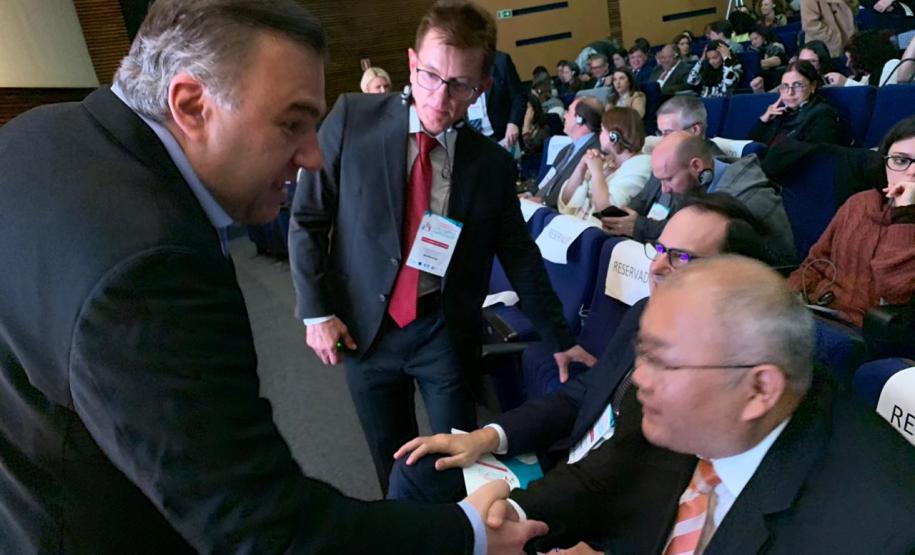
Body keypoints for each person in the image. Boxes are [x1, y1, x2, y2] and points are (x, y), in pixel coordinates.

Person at [0, 1, 547, 553]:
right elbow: (263, 528)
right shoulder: (152, 267)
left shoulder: (37, 133)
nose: (312, 157)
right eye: (291, 124)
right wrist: (468, 534)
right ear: (191, 105)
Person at [289, 0, 593, 496]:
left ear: (482, 88)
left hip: (441, 329)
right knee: (391, 462)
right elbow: (308, 218)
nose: (439, 97)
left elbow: (519, 256)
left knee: (455, 461)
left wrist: (559, 337)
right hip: (365, 327)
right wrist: (316, 313)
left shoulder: (490, 165)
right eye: (430, 76)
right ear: (412, 63)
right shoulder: (352, 119)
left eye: (459, 86)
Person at [484, 256, 915, 554]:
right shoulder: (682, 403)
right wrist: (509, 519)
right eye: (642, 352)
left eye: (662, 361)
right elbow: (600, 478)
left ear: (759, 390)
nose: (640, 377)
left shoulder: (878, 533)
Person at [387, 196, 774, 504]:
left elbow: (637, 480)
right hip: (563, 464)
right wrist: (486, 436)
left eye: (681, 258)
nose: (656, 267)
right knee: (417, 470)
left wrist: (517, 512)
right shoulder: (644, 312)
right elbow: (583, 393)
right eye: (658, 249)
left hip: (599, 501)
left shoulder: (721, 375)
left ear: (733, 275)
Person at [788, 116, 915, 327]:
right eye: (900, 161)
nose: (912, 172)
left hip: (866, 332)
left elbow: (896, 292)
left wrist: (905, 215)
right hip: (817, 313)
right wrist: (786, 298)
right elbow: (816, 262)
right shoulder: (859, 203)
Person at [603, 132, 798, 265]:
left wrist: (641, 227)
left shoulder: (746, 198)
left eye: (669, 179)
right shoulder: (692, 185)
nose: (664, 189)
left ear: (696, 166)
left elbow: (702, 246)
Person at [558, 107, 652, 219]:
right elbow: (566, 201)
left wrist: (597, 172)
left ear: (613, 137)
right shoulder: (607, 161)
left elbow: (607, 211)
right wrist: (581, 166)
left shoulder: (641, 165)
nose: (599, 135)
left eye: (602, 130)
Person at [749, 60, 845, 146]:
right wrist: (763, 121)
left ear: (813, 86)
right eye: (785, 86)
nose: (790, 92)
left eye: (797, 85)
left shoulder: (823, 113)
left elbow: (815, 153)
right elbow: (748, 147)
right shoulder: (780, 113)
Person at [532, 96, 604, 208]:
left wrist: (542, 201)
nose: (564, 115)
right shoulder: (566, 150)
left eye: (569, 112)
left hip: (555, 211)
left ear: (580, 119)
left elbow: (575, 193)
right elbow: (547, 180)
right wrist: (530, 194)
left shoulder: (594, 154)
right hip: (538, 205)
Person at [465, 49, 525, 147]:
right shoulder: (459, 62)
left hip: (503, 135)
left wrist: (513, 123)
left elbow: (519, 96)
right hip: (473, 138)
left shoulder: (501, 61)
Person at [750, 38, 836, 92]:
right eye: (802, 61)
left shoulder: (833, 82)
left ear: (822, 63)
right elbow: (768, 101)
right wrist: (759, 90)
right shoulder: (789, 83)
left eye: (812, 61)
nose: (805, 65)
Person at [824, 30, 904, 87]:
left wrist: (846, 83)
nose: (847, 64)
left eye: (851, 58)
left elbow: (880, 98)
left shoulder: (892, 65)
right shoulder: (860, 77)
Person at [749, 24, 789, 90]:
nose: (753, 42)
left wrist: (752, 64)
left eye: (756, 38)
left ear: (764, 36)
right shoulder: (755, 50)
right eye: (751, 40)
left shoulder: (776, 46)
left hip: (777, 78)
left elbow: (778, 60)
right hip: (764, 79)